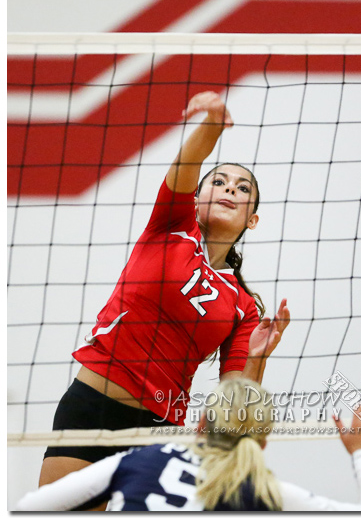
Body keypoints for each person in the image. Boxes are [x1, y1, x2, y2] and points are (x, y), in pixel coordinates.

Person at [39, 92, 291, 490]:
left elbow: (235, 399)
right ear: (196, 197)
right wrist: (212, 124)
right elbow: (187, 163)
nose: (229, 189)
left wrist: (259, 357)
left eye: (243, 189)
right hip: (93, 406)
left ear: (252, 219)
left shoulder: (244, 308)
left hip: (158, 431)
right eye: (219, 181)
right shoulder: (172, 225)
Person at [17, 378, 361, 511]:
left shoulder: (142, 460)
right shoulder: (265, 493)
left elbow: (30, 507)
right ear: (262, 443)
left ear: (199, 425)